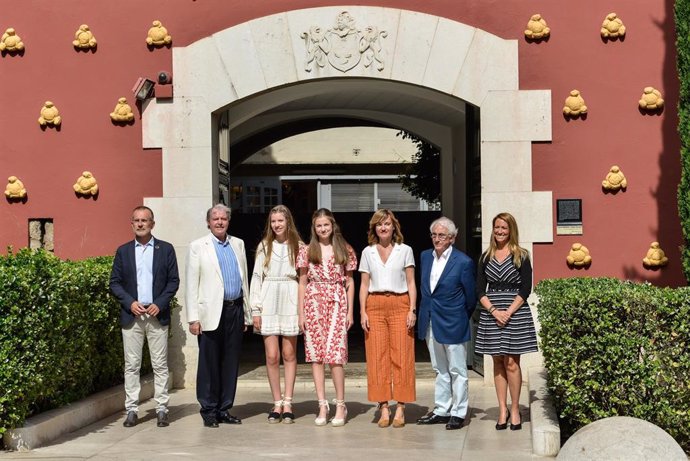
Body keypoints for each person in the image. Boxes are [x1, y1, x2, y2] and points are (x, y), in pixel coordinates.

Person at [109, 206, 180, 428]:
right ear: (132, 224)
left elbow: (173, 281)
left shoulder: (165, 249)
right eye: (136, 221)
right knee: (132, 365)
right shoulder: (123, 251)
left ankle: (161, 408)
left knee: (159, 365)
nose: (140, 224)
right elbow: (115, 282)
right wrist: (130, 302)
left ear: (152, 224)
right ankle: (131, 410)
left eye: (144, 220)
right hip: (132, 315)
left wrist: (160, 303)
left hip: (156, 315)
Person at [185, 203, 251, 428]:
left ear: (228, 221)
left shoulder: (238, 244)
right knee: (209, 364)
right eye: (216, 219)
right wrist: (193, 318)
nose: (220, 222)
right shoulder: (198, 246)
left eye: (224, 218)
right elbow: (191, 284)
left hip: (235, 309)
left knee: (230, 362)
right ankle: (209, 410)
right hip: (209, 313)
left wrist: (247, 313)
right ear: (208, 222)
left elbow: (245, 281)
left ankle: (224, 408)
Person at [475, 212, 538, 431]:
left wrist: (508, 312)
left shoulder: (522, 255)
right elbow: (479, 289)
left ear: (511, 230)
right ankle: (502, 409)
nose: (500, 231)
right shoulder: (485, 256)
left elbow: (525, 288)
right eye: (497, 228)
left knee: (512, 362)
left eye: (504, 228)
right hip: (492, 312)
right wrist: (494, 311)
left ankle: (515, 409)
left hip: (515, 311)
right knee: (498, 361)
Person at [297, 208, 357, 427]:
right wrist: (301, 313)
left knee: (335, 355)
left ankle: (341, 404)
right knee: (316, 356)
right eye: (318, 225)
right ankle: (322, 404)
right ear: (314, 228)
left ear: (333, 226)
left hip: (336, 301)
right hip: (313, 302)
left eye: (326, 225)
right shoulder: (306, 250)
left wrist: (350, 311)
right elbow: (302, 282)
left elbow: (350, 282)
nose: (322, 229)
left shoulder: (345, 249)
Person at [416, 216, 476, 431]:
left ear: (452, 238)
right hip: (430, 320)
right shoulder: (425, 257)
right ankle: (442, 409)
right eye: (434, 234)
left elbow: (471, 298)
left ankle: (459, 412)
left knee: (457, 370)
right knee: (439, 369)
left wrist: (459, 316)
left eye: (442, 235)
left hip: (454, 322)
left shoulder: (463, 262)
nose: (437, 239)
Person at [359, 209, 417, 428]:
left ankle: (400, 407)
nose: (383, 228)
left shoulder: (405, 250)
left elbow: (411, 282)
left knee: (402, 355)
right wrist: (363, 311)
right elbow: (364, 284)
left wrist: (412, 309)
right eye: (379, 224)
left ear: (394, 227)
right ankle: (383, 407)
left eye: (387, 224)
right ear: (374, 228)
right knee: (376, 357)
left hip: (400, 303)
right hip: (374, 305)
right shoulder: (368, 252)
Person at [249, 205, 303, 424]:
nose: (277, 225)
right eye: (273, 221)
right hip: (269, 300)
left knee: (289, 354)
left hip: (290, 301)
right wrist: (256, 309)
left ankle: (288, 402)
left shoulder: (299, 247)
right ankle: (277, 402)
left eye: (280, 220)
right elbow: (256, 277)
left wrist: (302, 311)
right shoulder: (264, 246)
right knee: (272, 356)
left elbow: (304, 281)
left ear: (288, 221)